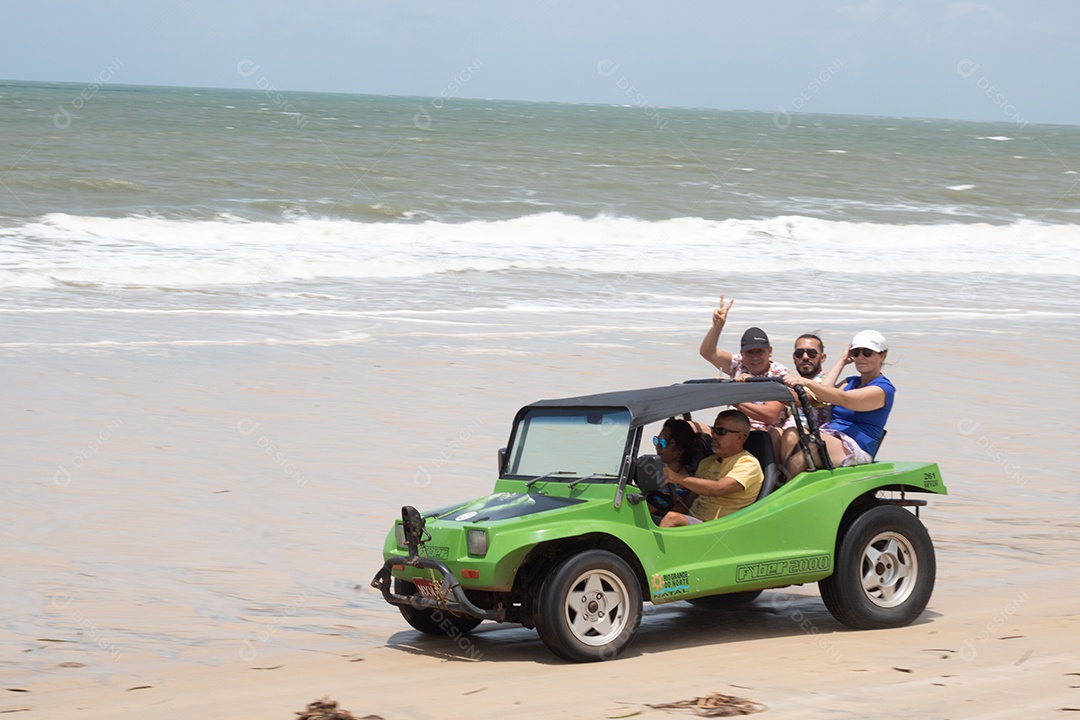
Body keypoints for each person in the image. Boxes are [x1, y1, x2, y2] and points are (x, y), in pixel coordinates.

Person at [780, 330, 895, 475]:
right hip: (832, 436)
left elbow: (843, 399)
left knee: (806, 450)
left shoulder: (883, 389)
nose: (860, 357)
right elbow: (821, 395)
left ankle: (786, 489)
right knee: (790, 434)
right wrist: (841, 361)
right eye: (856, 353)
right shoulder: (850, 381)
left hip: (856, 447)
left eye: (866, 352)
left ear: (882, 355)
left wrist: (806, 382)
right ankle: (776, 487)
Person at [698, 295, 789, 435]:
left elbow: (770, 416)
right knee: (688, 428)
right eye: (749, 353)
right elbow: (708, 352)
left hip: (761, 432)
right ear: (742, 354)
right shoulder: (738, 364)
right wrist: (717, 327)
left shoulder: (778, 373)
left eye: (759, 352)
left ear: (770, 351)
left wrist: (732, 397)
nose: (755, 358)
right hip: (728, 428)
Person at [659, 410, 764, 527]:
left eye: (720, 431)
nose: (713, 435)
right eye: (713, 430)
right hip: (695, 524)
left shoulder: (748, 463)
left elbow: (717, 489)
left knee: (672, 518)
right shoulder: (706, 462)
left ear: (739, 437)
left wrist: (676, 478)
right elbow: (688, 504)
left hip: (718, 528)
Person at [646, 418, 711, 515]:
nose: (658, 447)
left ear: (680, 449)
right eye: (657, 440)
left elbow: (684, 509)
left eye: (663, 443)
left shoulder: (690, 482)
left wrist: (655, 509)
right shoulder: (650, 469)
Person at [784, 333, 832, 431]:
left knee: (791, 433)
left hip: (815, 438)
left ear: (822, 358)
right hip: (791, 432)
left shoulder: (827, 381)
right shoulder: (793, 382)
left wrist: (767, 389)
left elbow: (800, 399)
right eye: (799, 353)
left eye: (811, 353)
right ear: (794, 357)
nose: (805, 357)